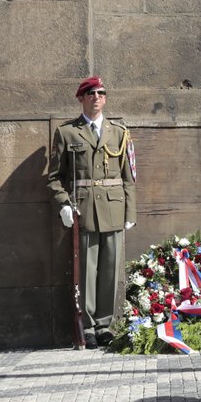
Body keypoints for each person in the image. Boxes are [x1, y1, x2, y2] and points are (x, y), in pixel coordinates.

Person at [47, 76, 137, 349]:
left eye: (100, 93)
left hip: (113, 206)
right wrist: (63, 203)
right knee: (86, 269)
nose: (96, 97)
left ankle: (105, 324)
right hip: (83, 208)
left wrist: (130, 210)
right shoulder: (67, 132)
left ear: (105, 98)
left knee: (110, 269)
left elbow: (129, 176)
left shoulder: (119, 132)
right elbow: (54, 177)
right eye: (90, 93)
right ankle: (86, 326)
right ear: (81, 98)